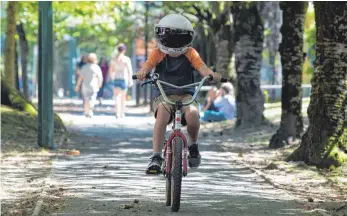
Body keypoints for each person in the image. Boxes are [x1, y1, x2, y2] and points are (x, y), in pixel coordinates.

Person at [135, 14, 222, 174]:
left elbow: (201, 67)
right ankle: (156, 157)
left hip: (186, 95)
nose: (174, 45)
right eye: (170, 39)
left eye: (178, 40)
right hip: (164, 95)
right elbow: (148, 65)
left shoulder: (190, 53)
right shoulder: (157, 53)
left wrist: (211, 74)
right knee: (162, 115)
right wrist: (143, 72)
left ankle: (193, 145)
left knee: (193, 115)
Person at [74, 53, 103, 118]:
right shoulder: (97, 67)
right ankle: (90, 111)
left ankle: (86, 111)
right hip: (94, 86)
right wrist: (100, 84)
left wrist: (77, 85)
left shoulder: (84, 67)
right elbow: (100, 77)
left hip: (85, 86)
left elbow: (80, 77)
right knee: (92, 99)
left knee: (86, 99)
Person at [108, 44, 133, 118]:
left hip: (116, 78)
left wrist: (112, 78)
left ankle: (117, 113)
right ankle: (122, 113)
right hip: (124, 79)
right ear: (124, 50)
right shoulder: (126, 59)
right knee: (123, 97)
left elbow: (111, 70)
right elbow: (129, 70)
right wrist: (130, 80)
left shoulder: (114, 59)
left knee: (117, 97)